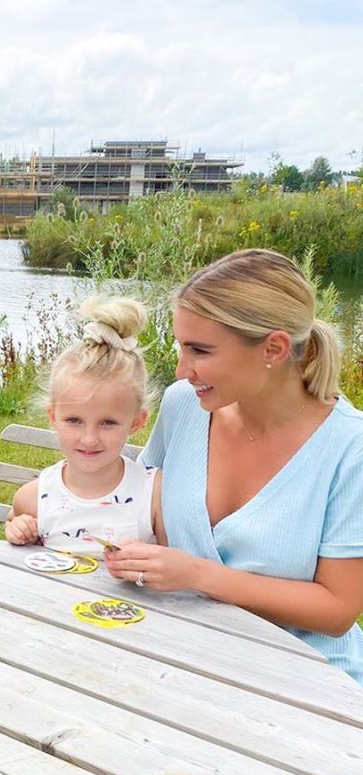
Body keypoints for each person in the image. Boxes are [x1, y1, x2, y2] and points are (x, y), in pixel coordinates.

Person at [104, 249, 363, 683]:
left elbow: (336, 610)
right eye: (180, 348)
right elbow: (137, 505)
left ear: (274, 348)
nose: (182, 369)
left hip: (309, 680)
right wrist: (39, 505)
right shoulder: (183, 406)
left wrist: (197, 575)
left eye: (200, 351)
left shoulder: (349, 448)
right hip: (184, 658)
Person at [5, 296, 164, 556]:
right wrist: (20, 531)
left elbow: (172, 570)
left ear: (137, 422)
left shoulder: (153, 493)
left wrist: (147, 565)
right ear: (53, 416)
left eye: (108, 423)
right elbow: (20, 549)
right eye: (74, 421)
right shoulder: (33, 498)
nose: (89, 439)